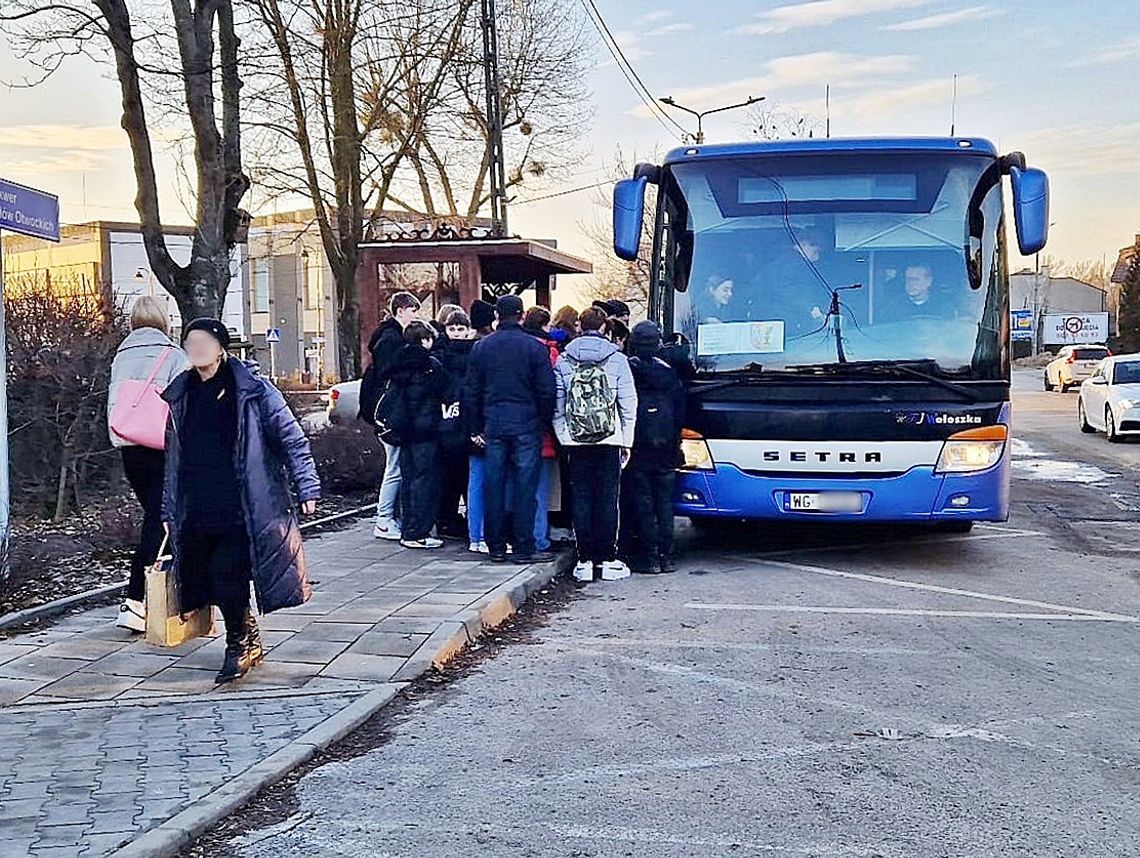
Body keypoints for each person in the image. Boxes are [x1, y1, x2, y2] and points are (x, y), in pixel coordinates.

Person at [162, 318, 320, 684]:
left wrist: (307, 486)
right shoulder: (182, 394)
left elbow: (291, 440)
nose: (197, 349)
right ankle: (246, 632)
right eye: (191, 343)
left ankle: (237, 645)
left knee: (228, 573)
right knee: (208, 580)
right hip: (198, 502)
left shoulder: (253, 390)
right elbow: (173, 459)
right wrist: (169, 509)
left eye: (204, 342)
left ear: (221, 348)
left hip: (244, 501)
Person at [107, 296, 189, 631]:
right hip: (162, 445)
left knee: (155, 515)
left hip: (129, 444)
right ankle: (136, 599)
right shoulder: (173, 354)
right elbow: (183, 405)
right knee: (163, 517)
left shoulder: (120, 356)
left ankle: (157, 597)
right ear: (163, 320)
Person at [462, 295, 556, 564]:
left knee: (495, 484)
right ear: (522, 315)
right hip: (527, 424)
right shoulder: (535, 347)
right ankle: (524, 546)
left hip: (494, 424)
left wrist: (474, 427)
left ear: (497, 317)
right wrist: (542, 421)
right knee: (526, 487)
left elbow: (471, 390)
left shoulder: (482, 348)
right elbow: (547, 390)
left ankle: (496, 546)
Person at [553, 306, 637, 583]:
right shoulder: (617, 358)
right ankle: (608, 559)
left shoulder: (565, 360)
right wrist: (627, 440)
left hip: (576, 441)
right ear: (604, 328)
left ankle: (585, 561)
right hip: (609, 439)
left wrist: (565, 436)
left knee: (582, 498)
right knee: (607, 499)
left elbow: (558, 405)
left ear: (579, 326)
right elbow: (628, 403)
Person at [622, 322, 684, 574]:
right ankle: (666, 556)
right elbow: (680, 410)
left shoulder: (629, 370)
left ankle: (649, 557)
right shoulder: (669, 373)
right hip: (666, 446)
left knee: (643, 503)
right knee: (664, 504)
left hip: (638, 446)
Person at [380, 321, 449, 549]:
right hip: (426, 430)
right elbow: (443, 392)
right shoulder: (430, 365)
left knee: (408, 480)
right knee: (425, 482)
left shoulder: (397, 363)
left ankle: (407, 528)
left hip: (404, 431)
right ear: (425, 340)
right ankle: (418, 532)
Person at [360, 292, 422, 541]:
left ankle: (388, 517)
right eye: (413, 309)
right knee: (394, 466)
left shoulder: (389, 336)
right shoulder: (391, 339)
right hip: (389, 412)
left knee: (395, 465)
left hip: (386, 410)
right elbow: (391, 372)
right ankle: (384, 518)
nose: (416, 314)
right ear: (400, 310)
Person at [522, 307, 561, 553]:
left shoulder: (513, 348)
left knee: (518, 485)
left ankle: (519, 536)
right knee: (540, 490)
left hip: (513, 428)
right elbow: (551, 391)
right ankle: (539, 538)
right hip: (543, 432)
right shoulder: (548, 351)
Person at [438, 311, 478, 545]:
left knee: (464, 476)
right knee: (452, 476)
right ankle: (449, 518)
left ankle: (456, 519)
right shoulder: (442, 354)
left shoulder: (471, 353)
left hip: (458, 418)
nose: (456, 334)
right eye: (452, 329)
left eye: (460, 329)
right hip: (450, 418)